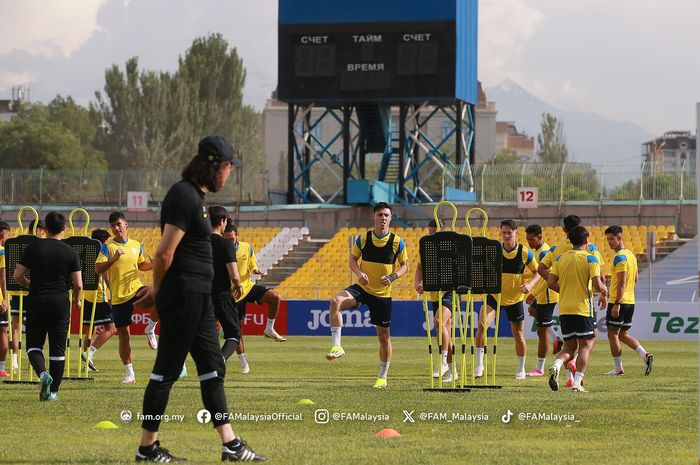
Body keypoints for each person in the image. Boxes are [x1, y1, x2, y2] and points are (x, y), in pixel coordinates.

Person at [132, 135, 266, 462]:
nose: (228, 175)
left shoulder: (198, 199)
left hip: (200, 297)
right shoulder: (183, 196)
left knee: (212, 367)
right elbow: (163, 253)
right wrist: (159, 291)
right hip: (183, 296)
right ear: (212, 166)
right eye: (227, 168)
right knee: (166, 371)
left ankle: (230, 444)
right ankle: (147, 448)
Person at [326, 202, 409, 389]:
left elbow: (405, 266)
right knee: (335, 301)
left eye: (386, 215)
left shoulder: (397, 241)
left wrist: (393, 276)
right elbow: (352, 260)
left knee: (383, 336)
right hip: (363, 288)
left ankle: (382, 376)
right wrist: (359, 273)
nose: (383, 218)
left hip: (382, 294)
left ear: (391, 218)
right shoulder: (363, 239)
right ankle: (337, 346)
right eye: (380, 215)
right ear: (374, 217)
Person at [13, 212, 82, 401]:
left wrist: (30, 284)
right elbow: (78, 284)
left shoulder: (33, 247)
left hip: (37, 300)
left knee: (33, 346)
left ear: (45, 228)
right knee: (58, 351)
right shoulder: (71, 251)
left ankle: (43, 375)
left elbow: (17, 276)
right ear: (64, 229)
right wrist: (76, 299)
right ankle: (52, 393)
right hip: (60, 302)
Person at [537, 214, 605, 387]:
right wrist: (604, 290)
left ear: (566, 233)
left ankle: (557, 365)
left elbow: (549, 279)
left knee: (568, 346)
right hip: (583, 307)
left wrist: (564, 289)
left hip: (565, 307)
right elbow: (598, 283)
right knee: (586, 344)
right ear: (586, 239)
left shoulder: (560, 256)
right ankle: (576, 383)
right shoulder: (591, 256)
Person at [474, 219, 540, 380]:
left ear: (516, 233)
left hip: (515, 299)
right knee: (482, 324)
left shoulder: (525, 252)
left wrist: (530, 284)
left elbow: (538, 272)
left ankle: (521, 369)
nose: (506, 235)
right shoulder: (494, 250)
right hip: (494, 295)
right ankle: (479, 365)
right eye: (504, 232)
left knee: (518, 334)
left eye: (509, 233)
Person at [95, 211, 152, 384]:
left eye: (119, 224)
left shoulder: (136, 245)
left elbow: (142, 265)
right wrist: (114, 258)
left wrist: (154, 264)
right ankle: (130, 374)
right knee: (123, 334)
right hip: (119, 296)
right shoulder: (108, 247)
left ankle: (150, 328)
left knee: (153, 293)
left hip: (135, 288)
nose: (116, 228)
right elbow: (98, 269)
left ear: (126, 224)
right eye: (113, 226)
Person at [228, 223, 285, 375]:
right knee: (237, 332)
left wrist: (254, 269)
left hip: (247, 287)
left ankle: (269, 328)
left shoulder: (247, 247)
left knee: (274, 297)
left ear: (236, 236)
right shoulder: (220, 250)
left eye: (231, 238)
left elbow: (252, 262)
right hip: (233, 295)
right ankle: (244, 363)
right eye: (226, 238)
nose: (229, 241)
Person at [603, 225, 653, 376]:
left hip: (619, 301)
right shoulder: (631, 255)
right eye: (607, 239)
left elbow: (622, 281)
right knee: (623, 334)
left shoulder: (620, 257)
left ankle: (618, 368)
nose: (609, 242)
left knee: (612, 334)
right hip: (630, 301)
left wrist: (617, 302)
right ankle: (645, 355)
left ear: (620, 238)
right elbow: (636, 278)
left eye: (612, 239)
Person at [414, 219, 458, 382]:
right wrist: (417, 282)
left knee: (438, 321)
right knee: (444, 333)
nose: (431, 237)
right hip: (434, 294)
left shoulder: (450, 248)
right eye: (429, 233)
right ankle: (453, 371)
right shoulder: (426, 248)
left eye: (434, 233)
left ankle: (443, 361)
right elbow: (419, 268)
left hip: (449, 292)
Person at [8, 218, 45, 373]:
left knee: (15, 327)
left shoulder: (17, 242)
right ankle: (33, 360)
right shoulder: (41, 244)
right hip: (34, 289)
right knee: (37, 327)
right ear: (41, 230)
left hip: (17, 288)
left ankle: (15, 361)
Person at [523, 224, 560, 377]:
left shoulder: (544, 251)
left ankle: (540, 368)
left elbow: (548, 278)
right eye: (527, 239)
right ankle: (557, 338)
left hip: (547, 294)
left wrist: (533, 292)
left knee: (541, 331)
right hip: (543, 294)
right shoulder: (539, 250)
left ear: (539, 237)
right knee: (532, 310)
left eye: (531, 239)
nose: (528, 242)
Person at [209, 206, 244, 361]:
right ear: (222, 221)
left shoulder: (196, 243)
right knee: (234, 334)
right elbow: (234, 275)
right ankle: (220, 360)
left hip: (201, 294)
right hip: (222, 295)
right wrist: (238, 286)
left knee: (205, 333)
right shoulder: (226, 244)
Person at [81, 229, 117, 373]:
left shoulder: (87, 253)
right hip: (99, 294)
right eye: (107, 240)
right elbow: (106, 275)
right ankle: (89, 354)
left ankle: (86, 363)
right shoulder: (102, 253)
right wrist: (112, 291)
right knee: (112, 328)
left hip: (87, 294)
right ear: (103, 240)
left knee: (91, 329)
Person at [0, 221, 10, 376]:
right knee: (3, 332)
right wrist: (5, 298)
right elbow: (2, 276)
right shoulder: (1, 251)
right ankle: (1, 368)